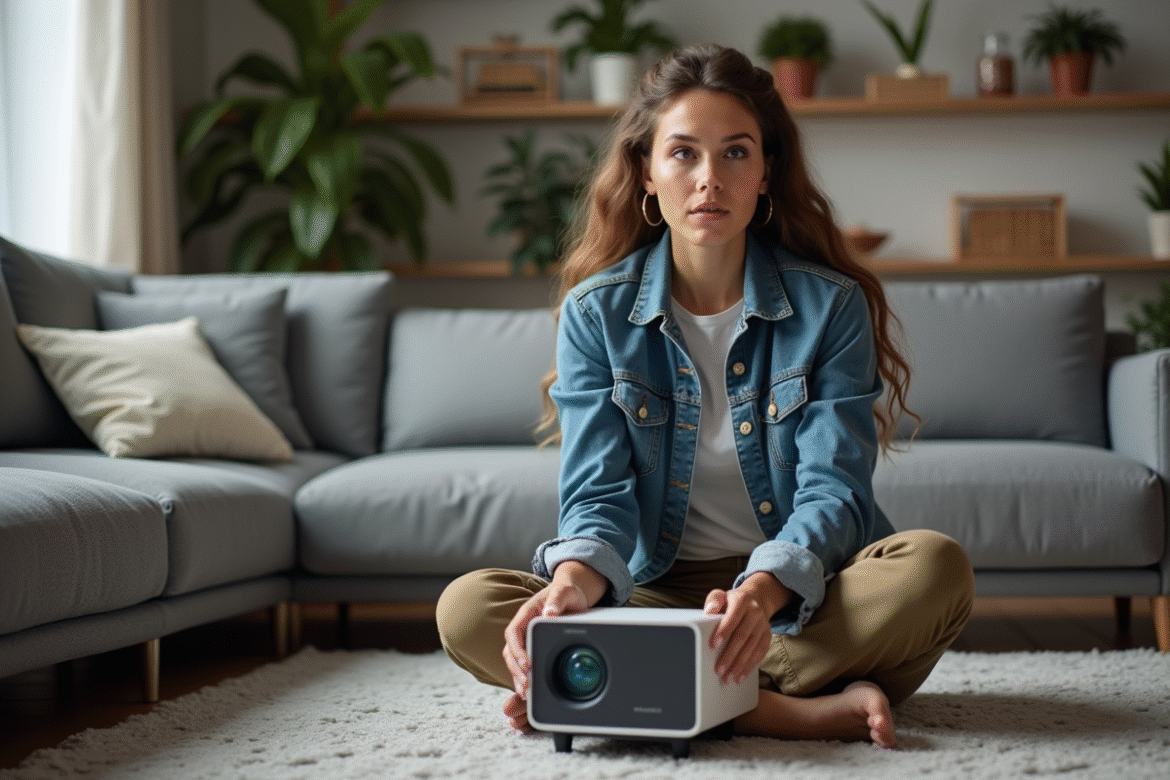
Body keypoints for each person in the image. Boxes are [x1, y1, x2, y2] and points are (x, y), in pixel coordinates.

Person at [436, 44, 973, 750]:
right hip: (654, 593)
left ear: (765, 174)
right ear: (647, 175)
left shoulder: (830, 306)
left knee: (934, 570)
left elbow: (834, 494)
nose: (708, 180)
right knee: (468, 608)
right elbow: (596, 495)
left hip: (797, 596)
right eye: (683, 154)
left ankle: (628, 693)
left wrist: (760, 592)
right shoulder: (596, 313)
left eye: (735, 153)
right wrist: (571, 583)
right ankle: (785, 708)